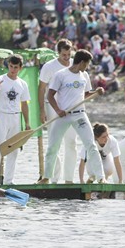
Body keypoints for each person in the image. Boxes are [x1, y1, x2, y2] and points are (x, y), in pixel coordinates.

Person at [38, 50, 105, 184]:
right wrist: (57, 110)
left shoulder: (84, 75)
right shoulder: (61, 75)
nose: (87, 67)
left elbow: (86, 95)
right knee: (53, 146)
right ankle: (46, 178)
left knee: (91, 145)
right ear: (81, 62)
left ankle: (101, 178)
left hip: (80, 114)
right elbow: (49, 95)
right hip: (63, 116)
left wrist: (97, 92)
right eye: (87, 64)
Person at [0, 54, 31, 185]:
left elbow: (25, 104)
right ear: (8, 65)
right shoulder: (0, 79)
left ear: (20, 68)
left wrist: (27, 123)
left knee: (14, 149)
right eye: (11, 66)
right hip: (2, 116)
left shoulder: (23, 84)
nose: (12, 69)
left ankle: (9, 180)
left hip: (16, 117)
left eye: (15, 67)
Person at [38, 38, 77, 182]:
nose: (66, 58)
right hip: (52, 106)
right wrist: (42, 110)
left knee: (71, 142)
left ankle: (69, 179)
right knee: (54, 143)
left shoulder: (75, 64)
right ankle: (53, 179)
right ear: (58, 53)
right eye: (63, 55)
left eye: (68, 54)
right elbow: (41, 89)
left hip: (71, 107)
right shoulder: (49, 67)